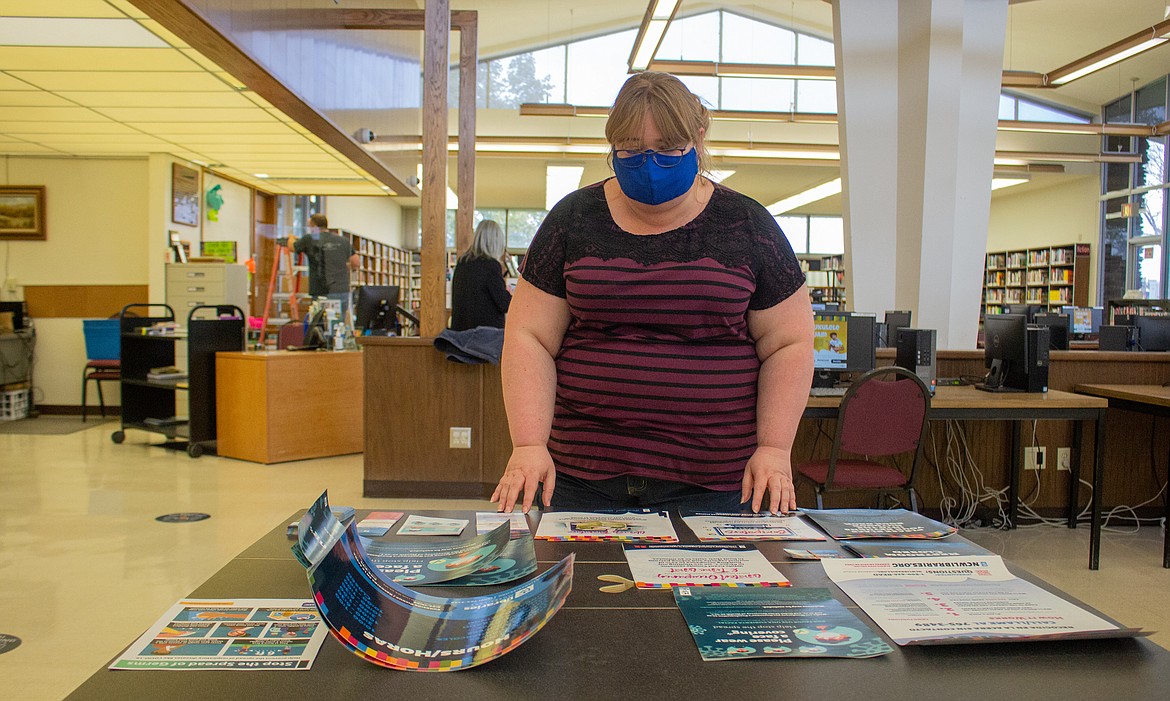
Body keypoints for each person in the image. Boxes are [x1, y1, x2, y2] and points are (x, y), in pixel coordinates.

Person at [491, 71, 814, 516]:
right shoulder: (573, 219)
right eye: (631, 149)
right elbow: (529, 336)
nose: (649, 163)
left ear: (698, 137)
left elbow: (789, 342)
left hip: (715, 480)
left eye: (667, 149)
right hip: (581, 475)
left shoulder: (748, 225)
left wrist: (775, 449)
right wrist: (528, 443)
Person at [449, 219, 513, 331]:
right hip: (485, 337)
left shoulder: (462, 262)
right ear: (496, 242)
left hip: (461, 335)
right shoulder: (491, 265)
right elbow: (504, 304)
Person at [289, 213, 359, 298]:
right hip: (341, 289)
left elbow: (292, 247)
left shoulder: (309, 239)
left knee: (320, 311)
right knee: (340, 311)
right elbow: (356, 263)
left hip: (320, 290)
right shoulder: (343, 241)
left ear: (314, 226)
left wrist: (291, 237)